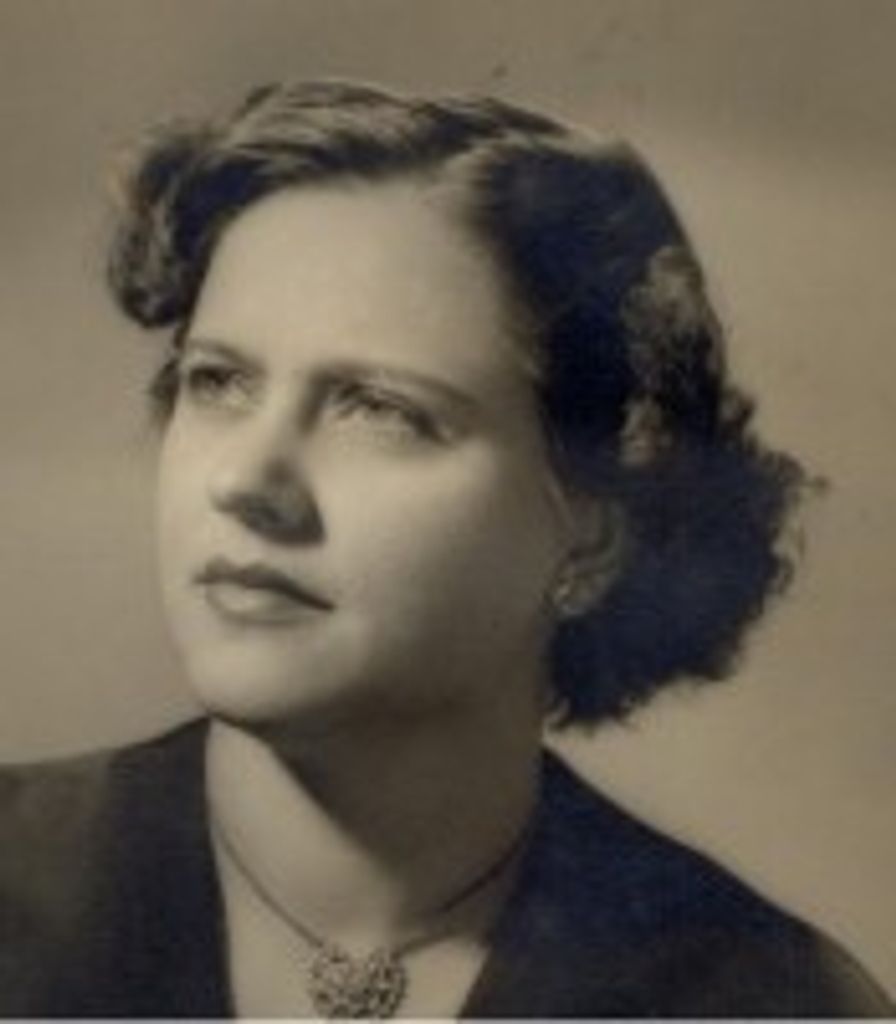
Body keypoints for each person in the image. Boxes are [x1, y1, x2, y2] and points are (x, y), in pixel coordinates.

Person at [0, 79, 891, 1019]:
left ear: (593, 530)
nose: (246, 481)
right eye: (218, 381)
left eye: (380, 408)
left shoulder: (775, 1000)